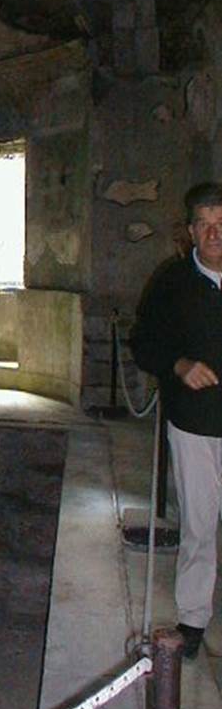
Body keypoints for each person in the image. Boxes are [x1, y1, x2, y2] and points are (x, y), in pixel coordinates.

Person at [130, 181, 222, 659]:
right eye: (204, 225)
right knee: (200, 525)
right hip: (194, 424)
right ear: (190, 231)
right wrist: (179, 365)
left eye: (221, 223)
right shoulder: (172, 282)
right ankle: (193, 619)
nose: (214, 234)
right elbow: (143, 343)